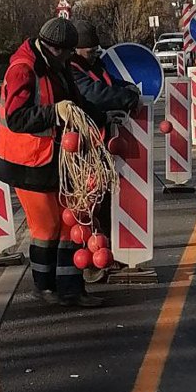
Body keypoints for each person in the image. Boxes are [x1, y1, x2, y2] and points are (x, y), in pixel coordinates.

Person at [0, 17, 105, 308]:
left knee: (71, 225)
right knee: (47, 228)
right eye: (69, 52)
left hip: (54, 160)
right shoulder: (23, 69)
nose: (72, 57)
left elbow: (76, 102)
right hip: (28, 162)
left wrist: (105, 115)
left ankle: (71, 288)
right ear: (56, 49)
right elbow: (16, 118)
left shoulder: (58, 65)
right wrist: (55, 112)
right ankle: (44, 288)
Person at [68, 20, 141, 282]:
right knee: (89, 202)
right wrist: (126, 98)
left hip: (101, 143)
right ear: (77, 50)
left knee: (105, 199)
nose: (97, 54)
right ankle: (90, 259)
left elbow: (110, 84)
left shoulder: (93, 66)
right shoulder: (73, 71)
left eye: (98, 49)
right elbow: (94, 94)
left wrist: (128, 89)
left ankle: (107, 253)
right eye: (91, 50)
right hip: (83, 148)